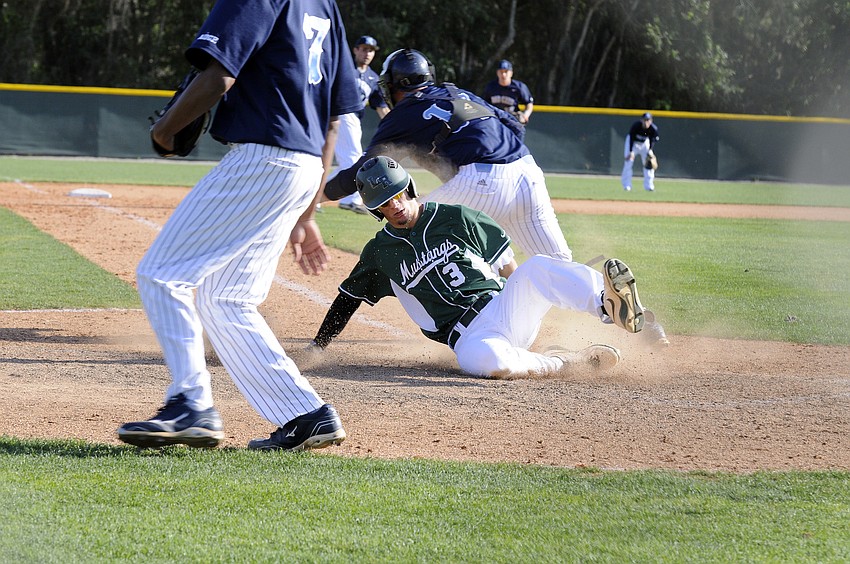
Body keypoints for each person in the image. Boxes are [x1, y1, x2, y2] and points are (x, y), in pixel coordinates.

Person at [117, 0, 362, 452]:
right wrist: (306, 210)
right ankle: (304, 414)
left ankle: (190, 403)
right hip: (305, 164)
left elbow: (219, 75)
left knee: (162, 273)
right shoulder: (324, 5)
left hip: (262, 157)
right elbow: (334, 121)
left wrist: (165, 131)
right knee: (226, 297)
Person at [311, 156, 649, 379]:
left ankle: (606, 304)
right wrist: (317, 347)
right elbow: (348, 298)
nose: (395, 206)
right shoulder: (379, 253)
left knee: (539, 268)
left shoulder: (455, 216)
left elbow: (509, 268)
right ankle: (565, 362)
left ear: (409, 188)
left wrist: (530, 298)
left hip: (502, 306)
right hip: (470, 336)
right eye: (385, 204)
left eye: (398, 194)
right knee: (486, 363)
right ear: (376, 211)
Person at [324, 48, 573, 261]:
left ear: (395, 85)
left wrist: (314, 198)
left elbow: (366, 170)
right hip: (528, 172)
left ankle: (480, 305)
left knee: (407, 228)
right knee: (558, 265)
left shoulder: (403, 113)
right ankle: (602, 300)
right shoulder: (459, 93)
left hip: (482, 181)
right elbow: (516, 127)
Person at [335, 35, 390, 215]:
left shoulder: (373, 78)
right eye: (364, 49)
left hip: (353, 120)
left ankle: (315, 196)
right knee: (352, 157)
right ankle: (350, 199)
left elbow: (381, 108)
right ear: (355, 50)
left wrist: (393, 126)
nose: (367, 53)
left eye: (371, 50)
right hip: (339, 113)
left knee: (348, 160)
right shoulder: (342, 68)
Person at [482, 59, 534, 124]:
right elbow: (483, 104)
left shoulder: (519, 87)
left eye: (506, 71)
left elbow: (529, 103)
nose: (503, 74)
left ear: (511, 73)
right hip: (495, 120)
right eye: (501, 72)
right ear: (497, 73)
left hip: (512, 120)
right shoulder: (491, 87)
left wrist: (525, 115)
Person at [621, 112, 660, 192]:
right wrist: (631, 151)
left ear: (651, 121)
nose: (646, 122)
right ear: (641, 120)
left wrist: (650, 150)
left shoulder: (653, 129)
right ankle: (627, 185)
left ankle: (649, 186)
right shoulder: (636, 126)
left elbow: (653, 140)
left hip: (645, 144)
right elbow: (631, 138)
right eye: (644, 120)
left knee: (649, 164)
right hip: (633, 143)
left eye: (648, 120)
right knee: (628, 163)